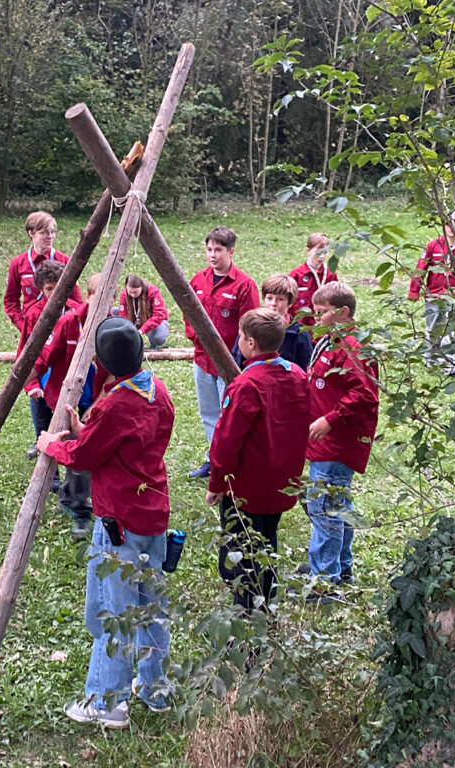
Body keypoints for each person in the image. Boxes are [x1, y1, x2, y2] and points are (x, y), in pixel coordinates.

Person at [37, 317, 176, 729]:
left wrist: (53, 444)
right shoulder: (158, 392)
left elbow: (83, 457)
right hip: (153, 515)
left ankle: (106, 701)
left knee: (112, 610)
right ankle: (155, 688)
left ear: (101, 362)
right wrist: (89, 430)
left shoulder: (113, 404)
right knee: (151, 606)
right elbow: (128, 442)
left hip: (119, 521)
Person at [207, 309, 310, 613]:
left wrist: (217, 483)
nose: (238, 340)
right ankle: (266, 603)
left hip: (247, 488)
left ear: (250, 343)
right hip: (282, 482)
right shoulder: (298, 375)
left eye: (240, 336)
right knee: (267, 540)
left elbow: (226, 441)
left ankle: (247, 615)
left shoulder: (246, 385)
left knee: (241, 552)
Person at [304, 282, 379, 598]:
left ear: (344, 312)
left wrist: (330, 419)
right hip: (324, 443)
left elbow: (364, 394)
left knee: (324, 509)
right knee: (338, 507)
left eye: (322, 312)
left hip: (336, 444)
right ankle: (341, 567)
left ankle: (324, 581)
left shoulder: (353, 347)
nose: (316, 318)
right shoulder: (331, 340)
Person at [25, 274, 108, 537]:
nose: (101, 306)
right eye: (97, 298)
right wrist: (26, 380)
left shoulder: (114, 327)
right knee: (70, 450)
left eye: (107, 300)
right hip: (64, 399)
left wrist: (96, 405)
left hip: (95, 402)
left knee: (83, 454)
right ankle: (73, 503)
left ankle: (78, 505)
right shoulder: (70, 322)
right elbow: (44, 358)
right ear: (88, 296)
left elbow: (115, 375)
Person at [185, 226, 260, 479]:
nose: (212, 255)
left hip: (229, 364)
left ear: (231, 252)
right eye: (209, 249)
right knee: (208, 413)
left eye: (218, 250)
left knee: (229, 415)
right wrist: (195, 338)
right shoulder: (199, 280)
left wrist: (238, 358)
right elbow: (188, 313)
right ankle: (214, 460)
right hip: (202, 360)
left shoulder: (245, 285)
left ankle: (234, 463)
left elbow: (250, 325)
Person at [23, 260, 82, 472]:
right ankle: (50, 477)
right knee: (44, 426)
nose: (55, 293)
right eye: (49, 289)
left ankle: (75, 483)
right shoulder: (33, 315)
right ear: (41, 289)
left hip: (73, 378)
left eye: (60, 288)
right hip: (42, 378)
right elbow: (26, 354)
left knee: (74, 430)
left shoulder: (77, 311)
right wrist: (31, 385)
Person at [408, 214, 455, 367]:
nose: (451, 228)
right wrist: (414, 290)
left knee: (451, 329)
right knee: (434, 327)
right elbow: (421, 268)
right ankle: (431, 358)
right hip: (434, 295)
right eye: (448, 224)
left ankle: (450, 363)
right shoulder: (433, 245)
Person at [3, 211, 83, 335]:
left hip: (60, 326)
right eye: (44, 232)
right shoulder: (18, 263)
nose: (50, 236)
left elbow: (76, 299)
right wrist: (24, 327)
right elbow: (11, 301)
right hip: (31, 326)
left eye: (52, 232)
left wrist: (69, 324)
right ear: (31, 233)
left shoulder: (64, 261)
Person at [232, 274, 312, 371]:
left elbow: (305, 368)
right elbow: (237, 359)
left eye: (280, 299)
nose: (273, 303)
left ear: (290, 303)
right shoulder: (250, 326)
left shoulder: (299, 334)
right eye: (269, 298)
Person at [289, 233, 337, 326]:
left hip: (324, 327)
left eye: (325, 252)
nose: (322, 256)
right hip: (301, 327)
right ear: (308, 251)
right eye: (318, 252)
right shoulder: (296, 275)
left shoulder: (330, 275)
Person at [118, 274, 170, 349]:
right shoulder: (124, 294)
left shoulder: (153, 292)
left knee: (159, 337)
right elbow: (123, 315)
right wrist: (128, 329)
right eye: (130, 292)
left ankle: (154, 343)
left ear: (141, 288)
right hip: (135, 318)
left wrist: (143, 330)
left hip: (151, 319)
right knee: (114, 312)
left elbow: (159, 314)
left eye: (135, 292)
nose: (133, 295)